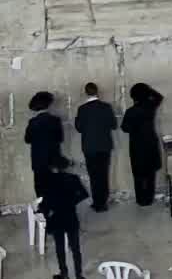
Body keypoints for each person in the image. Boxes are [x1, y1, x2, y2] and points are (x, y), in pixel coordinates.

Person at [38, 154, 89, 279]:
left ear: (52, 167)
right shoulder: (73, 178)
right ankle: (79, 275)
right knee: (75, 247)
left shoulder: (48, 181)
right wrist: (71, 203)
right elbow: (83, 194)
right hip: (70, 215)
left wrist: (44, 210)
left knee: (60, 247)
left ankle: (64, 274)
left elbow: (46, 201)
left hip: (56, 217)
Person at [74, 84, 117, 212]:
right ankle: (103, 202)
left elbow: (79, 128)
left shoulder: (82, 109)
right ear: (97, 92)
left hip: (89, 147)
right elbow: (114, 125)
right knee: (103, 174)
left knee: (94, 175)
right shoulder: (106, 107)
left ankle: (97, 203)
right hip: (104, 146)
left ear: (86, 93)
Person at [121, 83, 164, 207]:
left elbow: (125, 128)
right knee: (151, 174)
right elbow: (159, 97)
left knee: (138, 174)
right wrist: (148, 90)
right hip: (150, 143)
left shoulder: (130, 111)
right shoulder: (150, 106)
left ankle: (141, 199)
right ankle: (149, 198)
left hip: (137, 146)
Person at [25, 90, 64, 196]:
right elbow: (60, 139)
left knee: (40, 190)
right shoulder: (55, 120)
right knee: (55, 189)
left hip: (38, 161)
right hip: (53, 160)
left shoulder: (32, 122)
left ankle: (43, 211)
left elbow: (27, 139)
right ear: (48, 105)